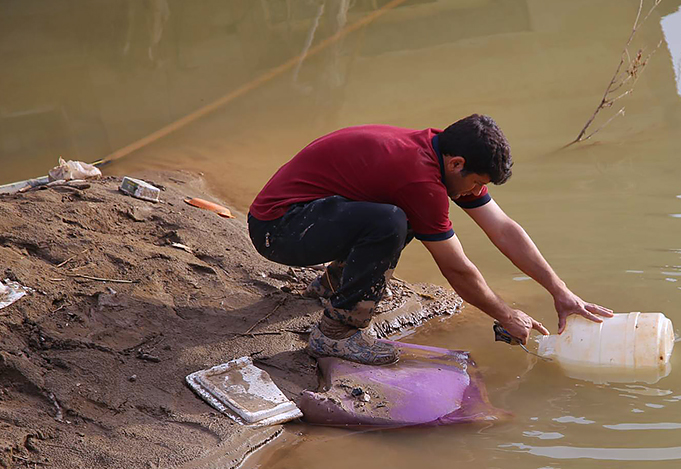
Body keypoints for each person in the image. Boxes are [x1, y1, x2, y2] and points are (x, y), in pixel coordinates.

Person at [247, 114, 612, 365]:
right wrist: (506, 314)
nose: (477, 191)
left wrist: (559, 290)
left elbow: (503, 228)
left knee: (395, 217)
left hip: (315, 215)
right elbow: (456, 268)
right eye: (476, 182)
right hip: (278, 229)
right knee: (390, 221)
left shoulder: (442, 153)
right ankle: (335, 334)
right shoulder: (420, 180)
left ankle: (335, 285)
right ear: (456, 164)